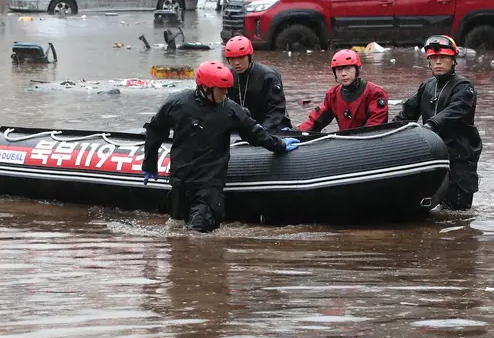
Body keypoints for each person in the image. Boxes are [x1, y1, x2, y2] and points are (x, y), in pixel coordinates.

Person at [142, 61, 300, 233]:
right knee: (176, 231)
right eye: (222, 89)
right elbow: (155, 131)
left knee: (198, 235)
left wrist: (280, 145)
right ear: (206, 87)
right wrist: (149, 163)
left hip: (209, 185)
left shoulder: (230, 110)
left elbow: (255, 133)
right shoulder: (177, 103)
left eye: (227, 88)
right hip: (181, 183)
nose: (226, 92)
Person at [398, 35, 482, 211]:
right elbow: (407, 114)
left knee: (458, 211)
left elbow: (455, 111)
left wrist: (431, 125)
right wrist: (389, 131)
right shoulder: (427, 86)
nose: (438, 63)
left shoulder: (464, 87)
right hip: (432, 154)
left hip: (460, 155)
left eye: (443, 58)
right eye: (434, 59)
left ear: (453, 61)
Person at [298, 49, 389, 132]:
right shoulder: (332, 95)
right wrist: (296, 132)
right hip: (345, 142)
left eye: (348, 69)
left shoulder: (375, 93)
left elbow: (375, 126)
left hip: (367, 143)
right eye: (339, 70)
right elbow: (315, 121)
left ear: (357, 70)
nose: (343, 74)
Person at [222, 36, 293, 130]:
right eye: (232, 59)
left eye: (240, 57)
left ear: (249, 56)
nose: (236, 63)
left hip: (274, 125)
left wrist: (263, 130)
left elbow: (277, 108)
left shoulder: (269, 76)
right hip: (247, 125)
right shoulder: (228, 76)